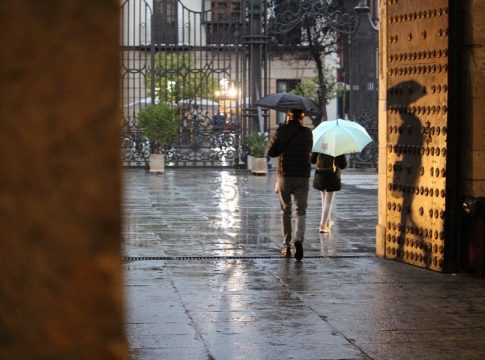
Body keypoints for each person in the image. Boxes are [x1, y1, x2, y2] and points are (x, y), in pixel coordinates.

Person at [267, 109, 313, 260]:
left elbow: (271, 152)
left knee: (286, 209)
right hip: (303, 176)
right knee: (301, 210)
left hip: (285, 175)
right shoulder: (307, 132)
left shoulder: (282, 131)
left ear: (288, 116)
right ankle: (299, 239)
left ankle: (286, 245)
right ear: (302, 117)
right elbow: (308, 151)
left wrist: (279, 135)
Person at [310, 152, 347, 233]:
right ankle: (322, 226)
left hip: (320, 176)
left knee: (324, 201)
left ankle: (328, 221)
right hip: (332, 176)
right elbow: (343, 165)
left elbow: (312, 160)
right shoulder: (338, 147)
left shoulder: (319, 145)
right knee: (328, 202)